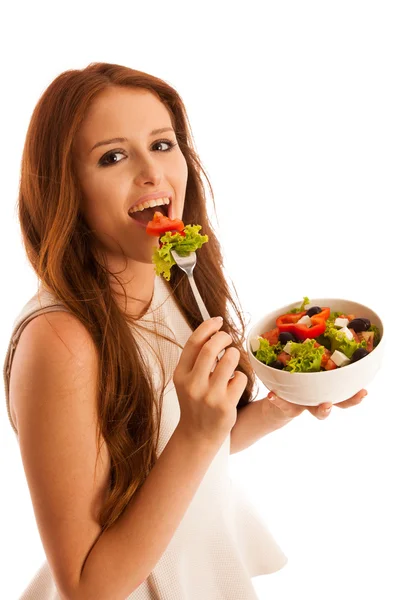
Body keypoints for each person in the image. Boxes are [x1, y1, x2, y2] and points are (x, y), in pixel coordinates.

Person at [2, 62, 367, 600]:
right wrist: (197, 434)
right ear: (67, 189)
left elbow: (173, 457)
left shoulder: (173, 280)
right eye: (113, 156)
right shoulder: (60, 342)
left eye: (163, 144)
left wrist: (273, 409)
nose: (152, 173)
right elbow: (86, 588)